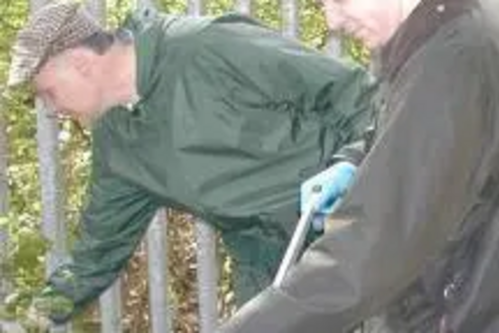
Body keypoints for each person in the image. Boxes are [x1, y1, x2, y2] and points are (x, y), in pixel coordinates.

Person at [6, 0, 376, 327]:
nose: (52, 110)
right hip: (267, 266)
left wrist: (352, 162)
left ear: (82, 63)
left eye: (48, 93)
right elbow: (95, 255)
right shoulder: (118, 141)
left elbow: (356, 94)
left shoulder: (208, 46)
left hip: (359, 225)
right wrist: (32, 317)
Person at [219, 0, 499, 332]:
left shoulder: (451, 62)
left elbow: (373, 251)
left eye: (338, 0)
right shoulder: (446, 32)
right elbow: (413, 126)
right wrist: (355, 160)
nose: (332, 20)